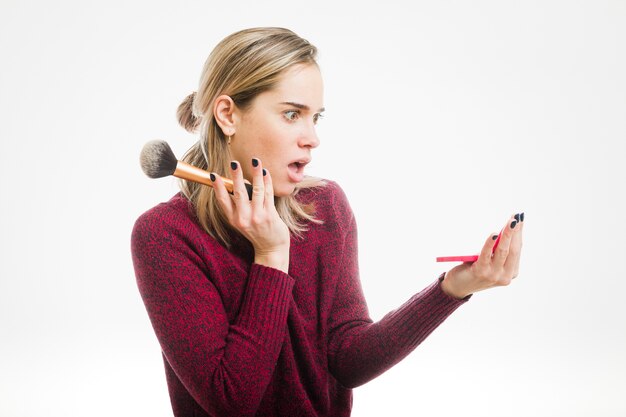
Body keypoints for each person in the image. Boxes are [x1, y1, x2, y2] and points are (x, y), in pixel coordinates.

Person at [131, 27, 524, 417]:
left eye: (315, 117)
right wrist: (270, 254)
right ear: (228, 114)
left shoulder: (326, 206)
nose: (312, 138)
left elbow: (348, 360)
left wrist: (454, 288)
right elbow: (231, 400)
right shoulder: (164, 236)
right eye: (291, 114)